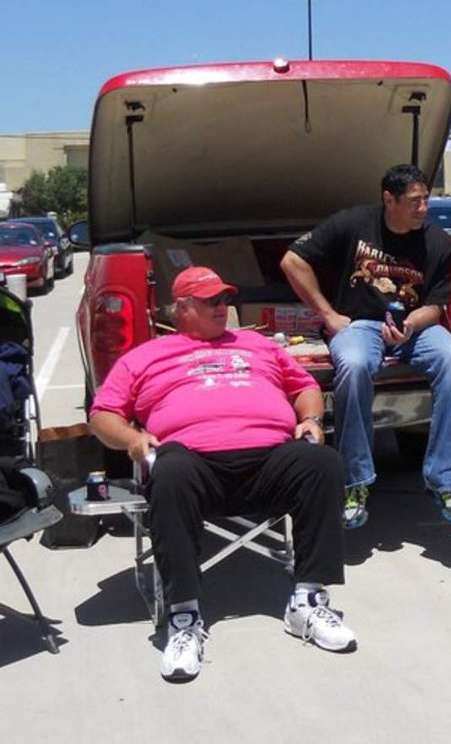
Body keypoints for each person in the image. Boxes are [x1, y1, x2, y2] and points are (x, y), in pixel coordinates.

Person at [89, 267, 356, 683]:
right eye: (211, 300)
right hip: (194, 464)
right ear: (182, 307)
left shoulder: (258, 344)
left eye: (225, 299)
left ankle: (307, 601)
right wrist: (132, 439)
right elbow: (102, 415)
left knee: (322, 463)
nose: (222, 307)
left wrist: (311, 419)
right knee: (169, 472)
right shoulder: (145, 356)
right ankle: (183, 618)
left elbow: (304, 386)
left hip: (269, 459)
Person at [280, 164, 451, 528]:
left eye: (425, 200)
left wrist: (412, 323)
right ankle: (355, 483)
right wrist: (328, 314)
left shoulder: (437, 241)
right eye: (414, 201)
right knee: (353, 367)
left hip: (415, 326)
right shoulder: (353, 223)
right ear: (389, 199)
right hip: (360, 324)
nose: (423, 208)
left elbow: (436, 305)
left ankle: (449, 483)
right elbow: (292, 261)